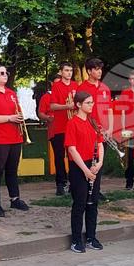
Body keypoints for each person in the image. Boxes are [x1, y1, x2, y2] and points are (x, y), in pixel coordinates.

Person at [0, 63, 30, 217]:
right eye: (1, 73)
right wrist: (10, 118)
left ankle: (15, 199)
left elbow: (17, 112)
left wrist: (19, 117)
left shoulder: (11, 93)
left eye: (6, 73)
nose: (5, 75)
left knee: (12, 170)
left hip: (14, 136)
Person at [65, 91, 105, 253]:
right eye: (88, 103)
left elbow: (100, 144)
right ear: (78, 105)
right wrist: (86, 171)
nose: (91, 105)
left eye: (92, 102)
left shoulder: (93, 122)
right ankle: (76, 240)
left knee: (93, 203)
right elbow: (72, 149)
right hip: (79, 166)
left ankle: (91, 237)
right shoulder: (72, 123)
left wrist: (100, 163)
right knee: (80, 204)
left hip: (94, 165)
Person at [78, 58, 113, 201]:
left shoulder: (105, 88)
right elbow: (79, 111)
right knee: (88, 160)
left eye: (100, 69)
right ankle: (85, 189)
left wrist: (110, 128)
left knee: (99, 160)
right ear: (89, 71)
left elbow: (110, 109)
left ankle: (96, 189)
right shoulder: (82, 88)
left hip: (103, 131)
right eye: (96, 69)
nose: (100, 72)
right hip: (88, 130)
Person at [49, 62, 78, 196]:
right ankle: (60, 183)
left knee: (73, 155)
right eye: (66, 70)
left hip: (73, 126)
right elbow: (53, 106)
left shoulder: (75, 85)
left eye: (71, 70)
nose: (69, 73)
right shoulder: (56, 86)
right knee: (59, 156)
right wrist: (68, 106)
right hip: (60, 126)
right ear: (60, 72)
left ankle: (74, 183)